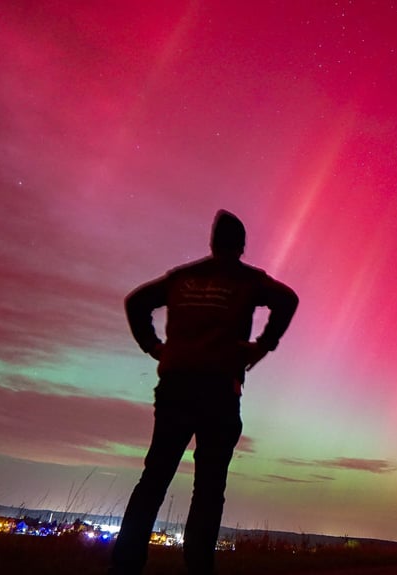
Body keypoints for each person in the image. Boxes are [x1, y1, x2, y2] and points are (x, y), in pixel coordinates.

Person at [109, 210, 298, 575]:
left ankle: (124, 567)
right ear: (241, 246)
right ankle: (197, 568)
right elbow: (287, 299)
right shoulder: (248, 280)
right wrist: (263, 345)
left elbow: (136, 302)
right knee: (209, 488)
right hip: (218, 391)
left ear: (212, 242)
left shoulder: (181, 278)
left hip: (175, 387)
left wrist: (154, 347)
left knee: (154, 478)